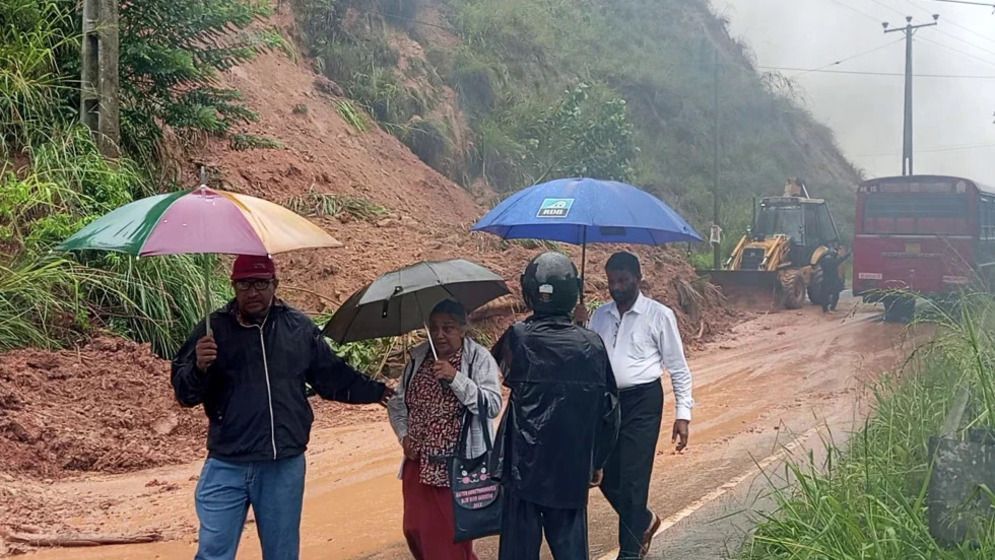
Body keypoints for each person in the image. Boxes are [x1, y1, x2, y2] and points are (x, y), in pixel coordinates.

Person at [171, 254, 392, 560]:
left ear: (275, 284)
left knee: (281, 555)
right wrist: (198, 366)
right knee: (213, 553)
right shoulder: (212, 331)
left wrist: (377, 392)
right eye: (245, 284)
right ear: (233, 286)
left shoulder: (298, 327)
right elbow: (185, 394)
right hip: (227, 464)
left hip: (283, 464)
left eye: (261, 283)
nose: (253, 292)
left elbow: (332, 376)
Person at [491, 251, 620, 560]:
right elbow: (610, 411)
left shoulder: (518, 337)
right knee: (571, 551)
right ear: (573, 290)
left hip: (524, 467)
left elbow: (504, 368)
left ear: (528, 291)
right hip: (571, 467)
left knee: (518, 553)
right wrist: (597, 460)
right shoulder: (591, 344)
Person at [582, 251, 694, 560]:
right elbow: (588, 358)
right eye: (611, 281)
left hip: (643, 401)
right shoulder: (599, 315)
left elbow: (679, 367)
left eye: (623, 280)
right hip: (607, 402)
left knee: (633, 478)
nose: (616, 287)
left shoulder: (659, 315)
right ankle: (643, 519)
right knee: (602, 473)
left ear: (637, 279)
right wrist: (578, 327)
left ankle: (629, 553)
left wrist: (683, 413)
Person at [386, 299, 502, 560]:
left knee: (447, 541)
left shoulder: (478, 359)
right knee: (414, 531)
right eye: (435, 327)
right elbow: (397, 404)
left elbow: (492, 405)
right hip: (418, 464)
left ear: (462, 329)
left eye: (448, 328)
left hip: (455, 468)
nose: (440, 334)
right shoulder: (418, 358)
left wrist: (455, 378)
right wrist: (404, 436)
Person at [819, 246, 851, 313]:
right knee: (835, 294)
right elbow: (841, 259)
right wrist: (848, 254)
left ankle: (825, 309)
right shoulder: (833, 261)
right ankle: (832, 308)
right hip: (833, 280)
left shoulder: (823, 261)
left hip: (825, 280)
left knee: (824, 295)